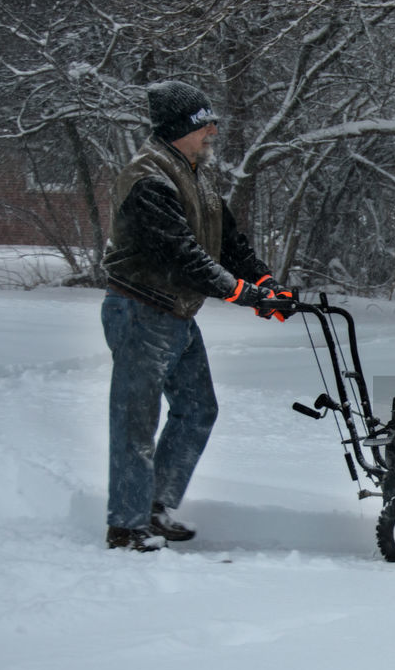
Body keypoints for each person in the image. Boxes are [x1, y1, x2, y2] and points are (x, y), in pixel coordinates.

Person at [101, 79, 293, 551]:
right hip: (140, 310)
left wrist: (265, 282)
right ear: (179, 127)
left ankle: (154, 506)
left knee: (197, 408)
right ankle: (126, 525)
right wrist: (243, 294)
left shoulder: (193, 173)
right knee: (135, 421)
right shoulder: (150, 177)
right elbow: (182, 256)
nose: (213, 129)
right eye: (204, 122)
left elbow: (227, 240)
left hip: (176, 314)